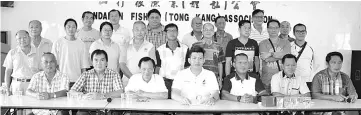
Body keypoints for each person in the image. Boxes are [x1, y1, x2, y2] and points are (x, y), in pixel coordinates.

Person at [70, 49, 123, 115]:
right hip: (89, 109)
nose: (99, 63)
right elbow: (72, 91)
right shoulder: (85, 75)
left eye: (102, 60)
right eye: (96, 60)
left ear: (107, 62)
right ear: (92, 62)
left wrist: (102, 95)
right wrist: (83, 96)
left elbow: (120, 92)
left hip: (108, 109)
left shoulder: (114, 75)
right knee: (81, 113)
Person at [3, 30, 40, 115]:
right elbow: (8, 71)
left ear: (29, 38)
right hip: (17, 84)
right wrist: (7, 88)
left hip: (32, 85)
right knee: (17, 110)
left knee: (31, 110)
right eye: (19, 38)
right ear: (16, 40)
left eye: (24, 37)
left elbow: (42, 70)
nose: (22, 40)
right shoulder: (12, 52)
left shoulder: (37, 52)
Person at [51, 18, 89, 87]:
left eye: (73, 27)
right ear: (64, 28)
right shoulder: (58, 43)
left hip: (77, 81)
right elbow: (54, 63)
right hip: (61, 81)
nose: (71, 29)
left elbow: (84, 66)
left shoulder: (81, 44)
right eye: (69, 27)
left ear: (76, 29)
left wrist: (83, 81)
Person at [156, 23, 188, 99]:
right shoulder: (160, 49)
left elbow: (187, 66)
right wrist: (157, 81)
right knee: (165, 105)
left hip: (180, 82)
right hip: (164, 82)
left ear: (178, 33)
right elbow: (157, 67)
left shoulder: (185, 48)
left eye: (174, 30)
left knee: (179, 104)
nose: (172, 33)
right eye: (169, 31)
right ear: (165, 33)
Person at [119, 21, 157, 87]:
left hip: (145, 83)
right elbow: (122, 65)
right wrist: (133, 79)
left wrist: (141, 81)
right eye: (137, 29)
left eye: (142, 30)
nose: (139, 32)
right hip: (127, 82)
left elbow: (152, 66)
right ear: (132, 31)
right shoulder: (125, 45)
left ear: (146, 31)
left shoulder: (150, 46)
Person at [259, 19, 291, 93]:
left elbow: (287, 56)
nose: (274, 30)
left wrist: (270, 54)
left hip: (283, 80)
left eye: (276, 28)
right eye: (271, 28)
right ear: (267, 29)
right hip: (267, 80)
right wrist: (280, 55)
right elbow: (265, 58)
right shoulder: (262, 43)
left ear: (279, 29)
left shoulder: (286, 42)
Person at [192, 23, 224, 88]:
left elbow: (220, 63)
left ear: (213, 32)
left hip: (214, 78)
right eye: (206, 30)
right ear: (203, 31)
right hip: (199, 77)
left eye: (210, 30)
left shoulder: (218, 46)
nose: (208, 32)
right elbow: (192, 63)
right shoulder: (196, 45)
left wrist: (220, 79)